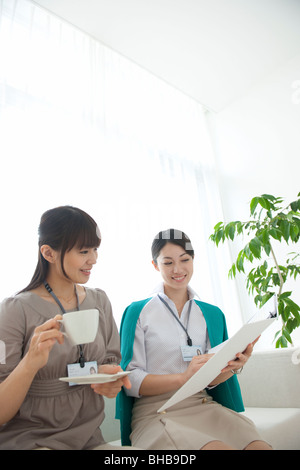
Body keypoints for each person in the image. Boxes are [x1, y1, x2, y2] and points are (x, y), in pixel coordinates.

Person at [117, 229, 272, 450]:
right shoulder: (138, 312)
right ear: (155, 265)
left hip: (201, 403)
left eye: (184, 260)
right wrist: (182, 377)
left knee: (259, 446)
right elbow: (130, 380)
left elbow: (211, 378)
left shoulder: (211, 313)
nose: (178, 269)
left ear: (193, 260)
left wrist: (235, 365)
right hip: (156, 411)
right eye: (168, 262)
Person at [0, 206, 131, 450]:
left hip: (89, 439)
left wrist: (109, 380)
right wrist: (30, 363)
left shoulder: (99, 301)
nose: (93, 259)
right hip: (33, 441)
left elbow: (113, 364)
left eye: (95, 250)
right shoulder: (14, 311)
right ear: (48, 253)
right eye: (83, 251)